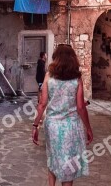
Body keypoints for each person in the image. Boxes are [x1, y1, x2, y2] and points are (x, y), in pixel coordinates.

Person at [31, 44, 93, 186]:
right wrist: (88, 128)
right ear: (72, 58)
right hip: (71, 126)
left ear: (56, 58)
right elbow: (80, 107)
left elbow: (42, 104)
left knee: (53, 157)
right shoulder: (77, 79)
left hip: (52, 125)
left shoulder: (49, 76)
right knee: (69, 164)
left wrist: (35, 125)